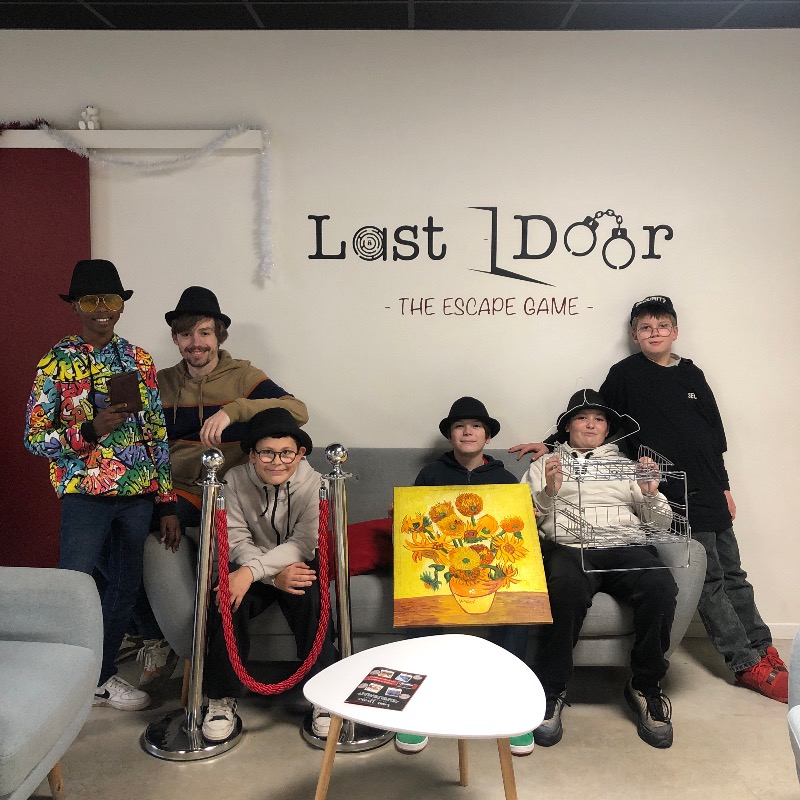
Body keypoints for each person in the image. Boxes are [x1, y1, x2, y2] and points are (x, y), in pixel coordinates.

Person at [511, 295, 789, 704]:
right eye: (646, 327)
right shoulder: (624, 375)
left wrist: (725, 486)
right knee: (710, 579)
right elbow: (591, 416)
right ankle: (746, 662)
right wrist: (551, 444)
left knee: (735, 574)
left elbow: (714, 435)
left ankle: (764, 648)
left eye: (662, 326)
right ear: (635, 334)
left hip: (709, 487)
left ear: (675, 331)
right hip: (671, 492)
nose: (654, 333)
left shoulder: (692, 373)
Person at [126, 286, 310, 686]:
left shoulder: (243, 376)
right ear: (176, 338)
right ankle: (153, 636)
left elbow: (298, 411)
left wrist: (234, 410)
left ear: (219, 336)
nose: (196, 343)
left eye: (205, 333)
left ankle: (205, 658)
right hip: (176, 488)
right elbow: (129, 430)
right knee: (120, 530)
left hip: (228, 493)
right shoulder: (159, 382)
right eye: (187, 334)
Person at [24, 259, 179, 712]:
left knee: (125, 588)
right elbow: (33, 438)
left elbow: (155, 433)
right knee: (75, 585)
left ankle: (99, 677)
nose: (102, 309)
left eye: (110, 300)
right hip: (84, 494)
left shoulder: (138, 360)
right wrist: (88, 431)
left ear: (121, 305)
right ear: (75, 306)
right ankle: (63, 676)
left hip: (137, 494)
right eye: (90, 301)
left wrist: (167, 501)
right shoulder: (57, 362)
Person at [522, 389, 677, 748]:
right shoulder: (544, 465)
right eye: (582, 417)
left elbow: (660, 525)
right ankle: (552, 688)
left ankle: (645, 686)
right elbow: (522, 522)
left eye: (599, 419)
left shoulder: (627, 466)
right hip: (570, 547)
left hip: (625, 545)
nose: (590, 424)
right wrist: (548, 491)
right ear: (567, 427)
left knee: (661, 586)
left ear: (607, 429)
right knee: (564, 588)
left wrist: (651, 493)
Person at [395, 396, 537, 757]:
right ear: (450, 436)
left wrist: (526, 517)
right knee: (418, 600)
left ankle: (512, 704)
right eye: (460, 426)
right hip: (443, 565)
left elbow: (515, 537)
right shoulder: (430, 475)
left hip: (490, 566)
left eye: (476, 426)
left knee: (518, 603)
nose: (468, 431)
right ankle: (417, 702)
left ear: (487, 436)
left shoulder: (505, 478)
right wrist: (404, 518)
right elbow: (418, 526)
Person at [200, 407, 338, 742]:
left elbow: (304, 542)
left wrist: (256, 572)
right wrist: (265, 576)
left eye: (286, 452)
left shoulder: (316, 484)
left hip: (292, 565)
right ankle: (221, 697)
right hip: (252, 565)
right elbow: (235, 539)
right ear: (252, 455)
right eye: (266, 453)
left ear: (300, 453)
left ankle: (323, 694)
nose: (277, 462)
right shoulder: (233, 481)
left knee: (312, 597)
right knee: (225, 598)